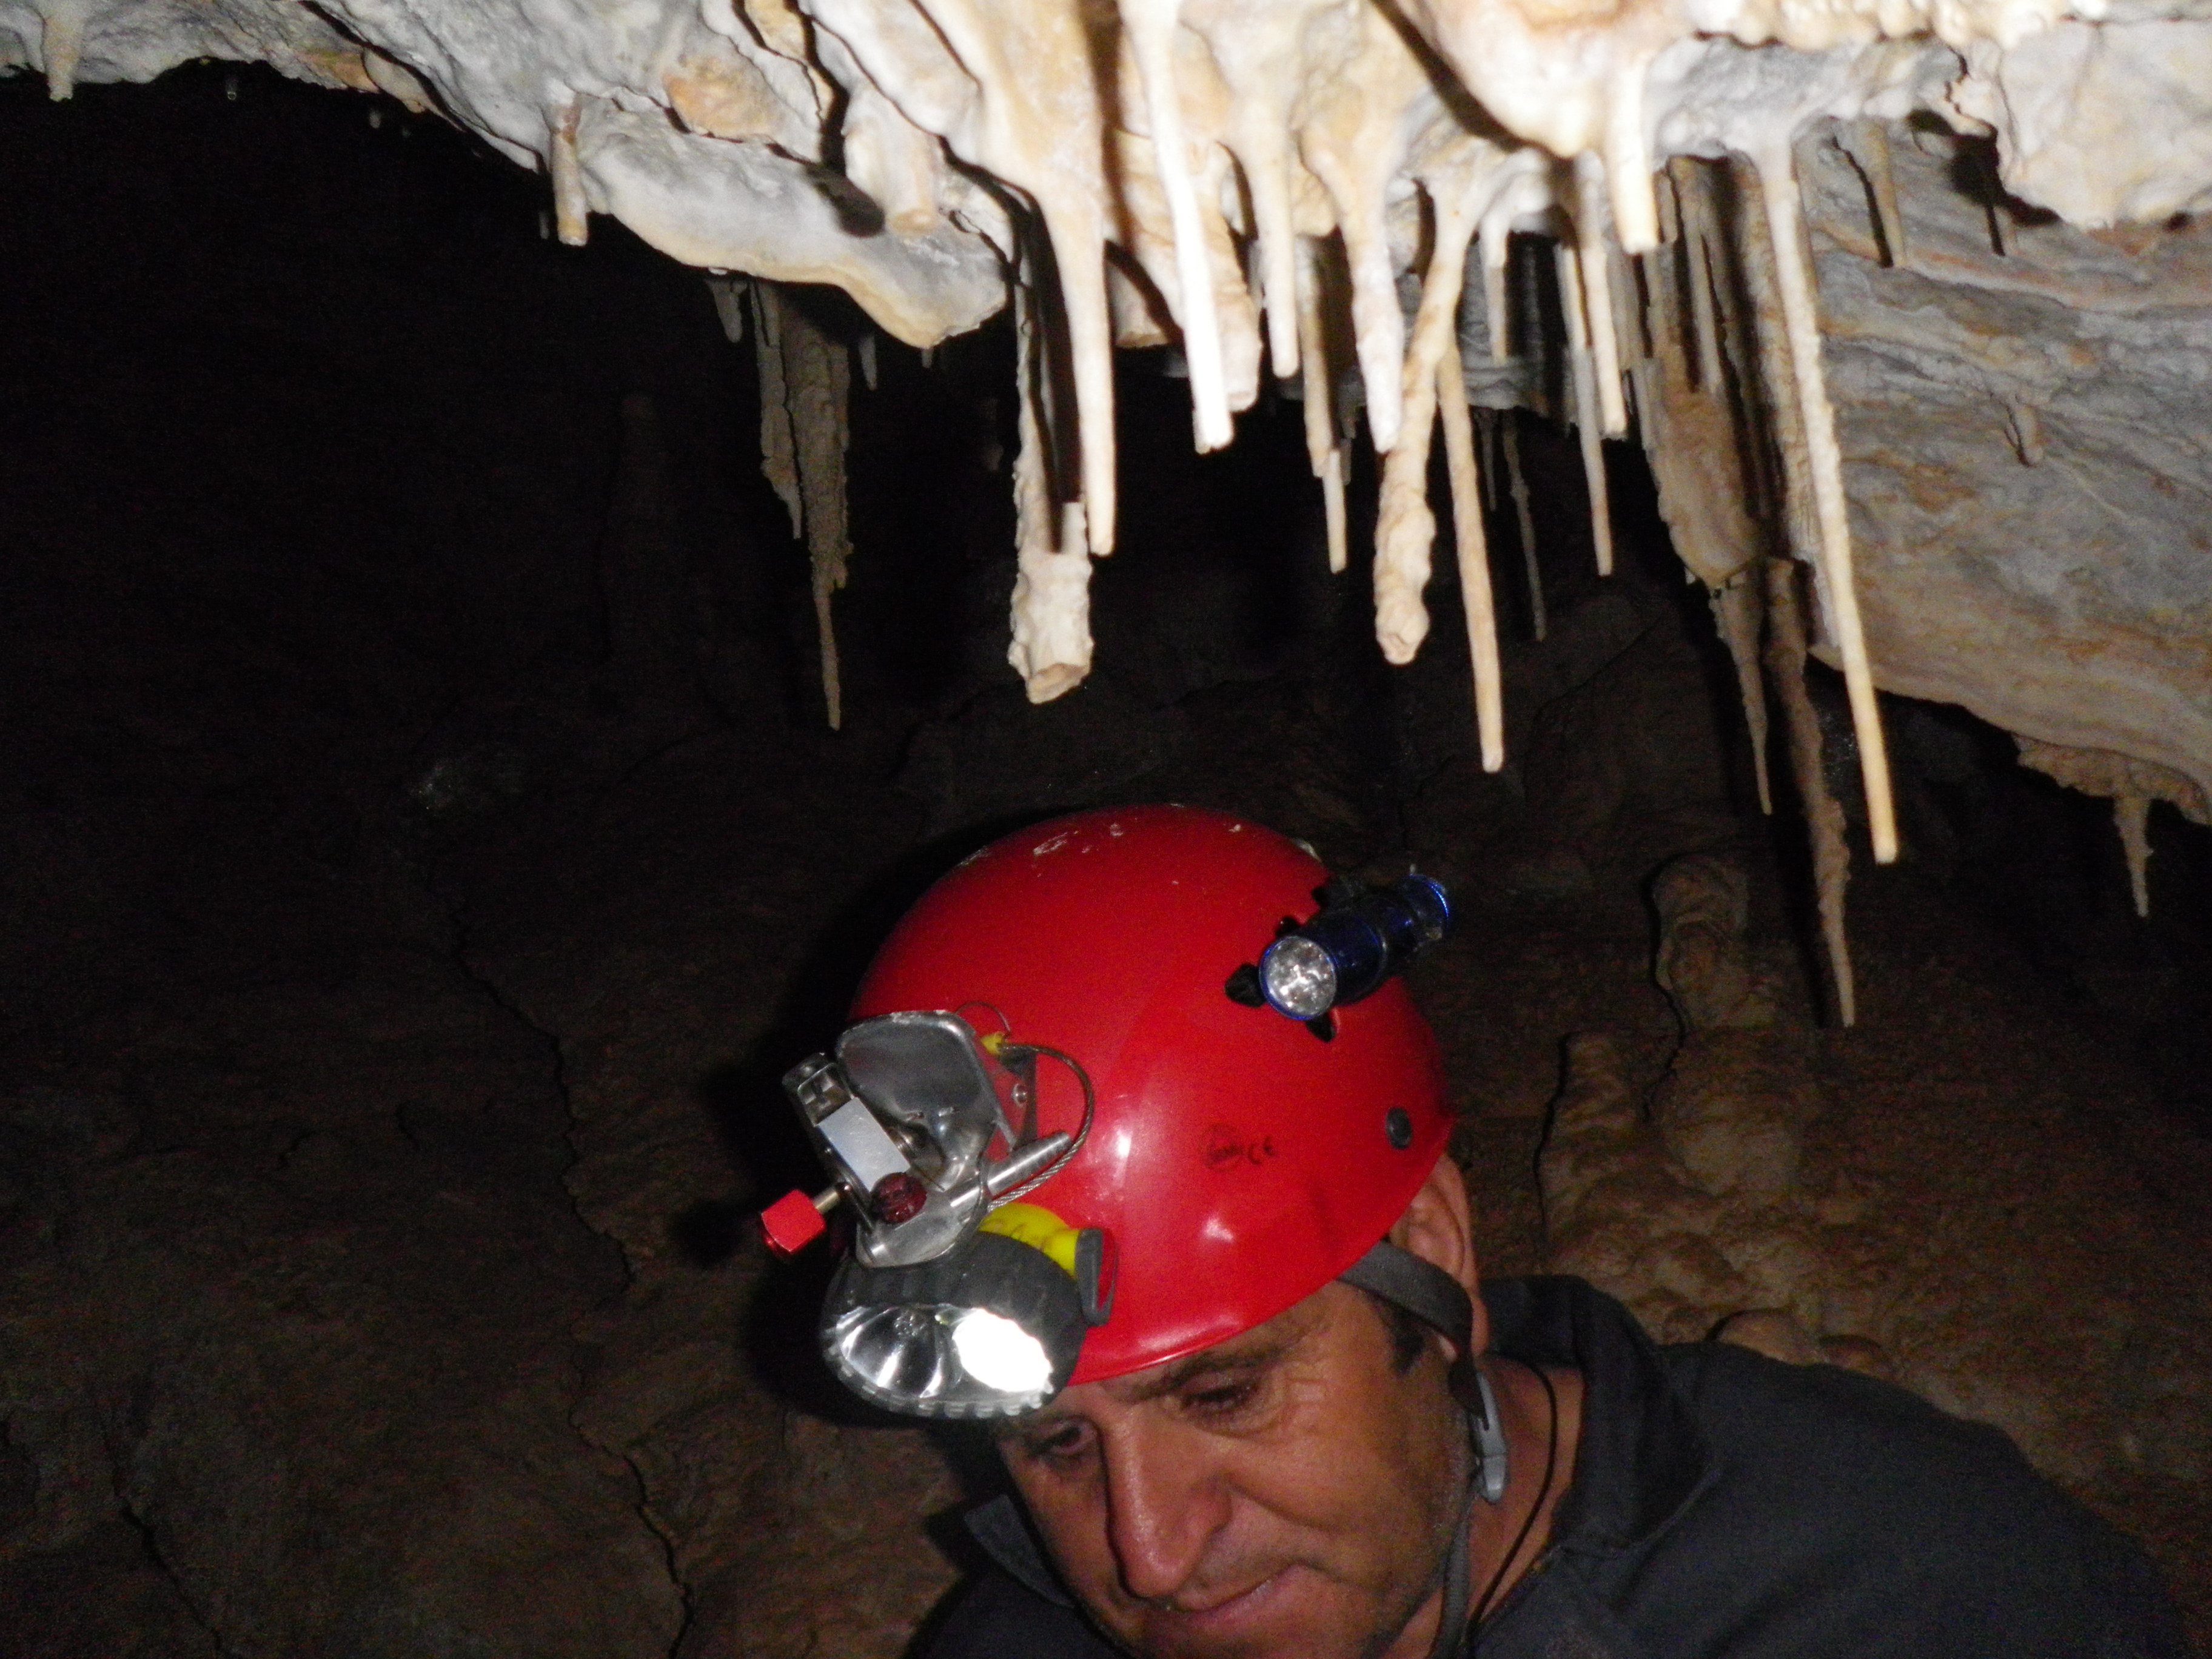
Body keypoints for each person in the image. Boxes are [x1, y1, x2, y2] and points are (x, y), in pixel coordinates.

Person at [757, 805, 2186, 1659]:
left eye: (1224, 1393)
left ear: (1432, 1253)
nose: (1150, 1557)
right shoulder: (1021, 1644)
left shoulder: (1894, 1588)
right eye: (1058, 1446)